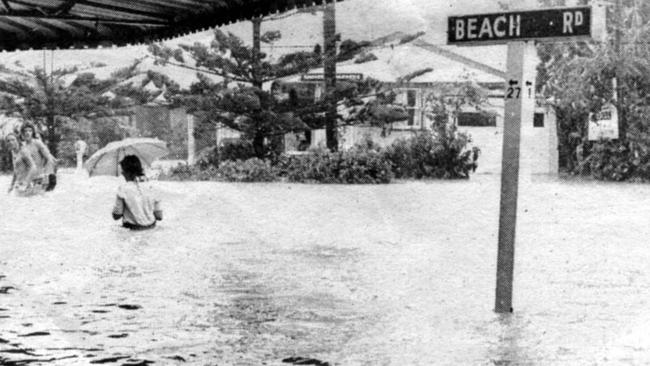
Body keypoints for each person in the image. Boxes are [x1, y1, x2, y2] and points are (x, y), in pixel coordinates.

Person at [112, 155, 163, 230]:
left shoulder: (123, 189)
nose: (122, 174)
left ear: (127, 172)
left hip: (131, 230)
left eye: (122, 171)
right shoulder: (152, 188)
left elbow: (116, 216)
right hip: (151, 229)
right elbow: (159, 216)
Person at [20, 123, 56, 191]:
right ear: (22, 132)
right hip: (29, 179)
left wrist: (46, 174)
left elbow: (49, 158)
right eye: (25, 131)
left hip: (41, 177)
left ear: (33, 132)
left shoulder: (37, 143)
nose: (28, 133)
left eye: (30, 131)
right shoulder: (22, 146)